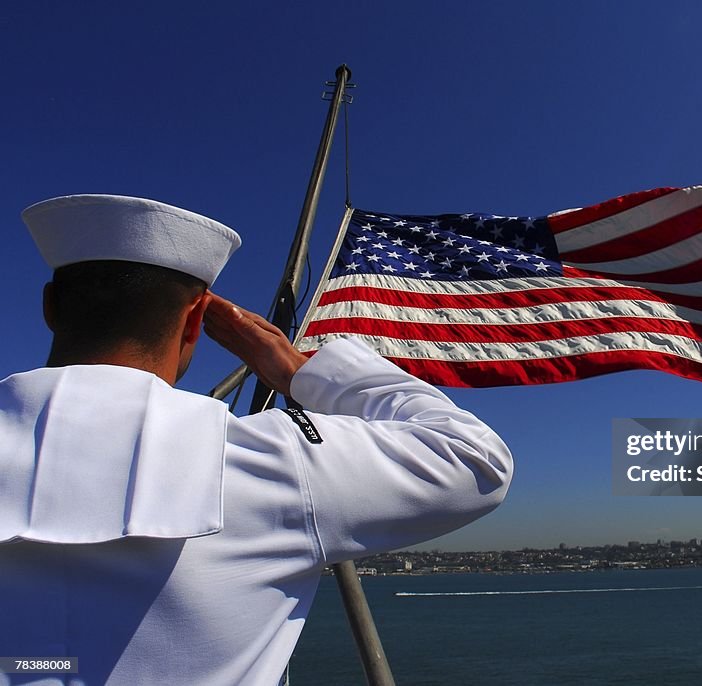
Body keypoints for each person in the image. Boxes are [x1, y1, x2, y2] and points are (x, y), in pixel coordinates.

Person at [0, 194, 513, 685]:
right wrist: (298, 372)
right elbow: (475, 458)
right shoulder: (270, 464)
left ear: (49, 307)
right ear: (196, 320)